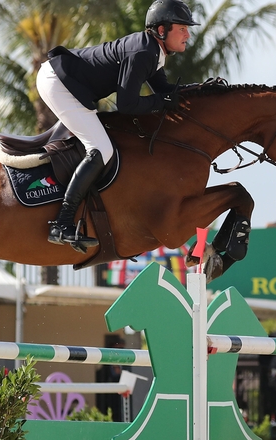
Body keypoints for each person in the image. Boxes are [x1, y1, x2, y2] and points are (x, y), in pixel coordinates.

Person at [36, 0, 199, 251]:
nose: (188, 33)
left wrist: (201, 90)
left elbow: (165, 92)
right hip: (59, 82)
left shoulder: (153, 51)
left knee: (103, 146)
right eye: (182, 28)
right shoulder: (144, 52)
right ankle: (62, 223)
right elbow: (127, 105)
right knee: (101, 149)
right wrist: (161, 101)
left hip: (65, 79)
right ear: (162, 31)